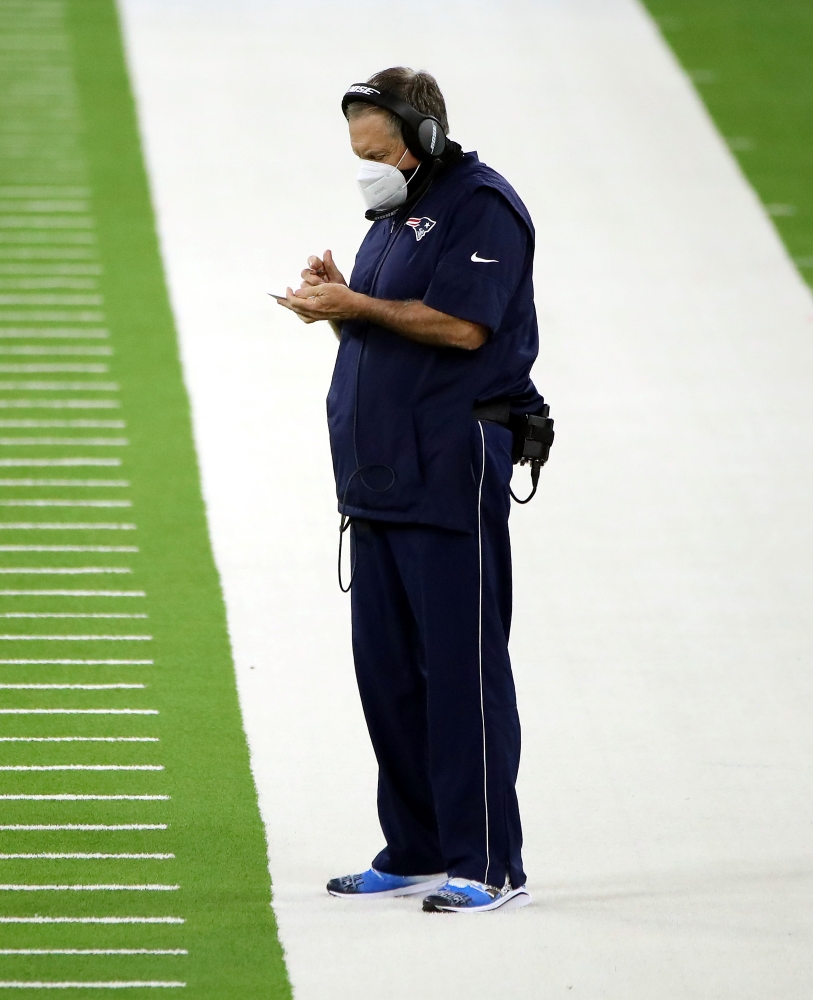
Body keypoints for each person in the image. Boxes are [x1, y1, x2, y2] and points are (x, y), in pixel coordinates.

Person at [276, 67, 543, 914]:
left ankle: (491, 863)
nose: (370, 166)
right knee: (387, 673)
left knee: (460, 669)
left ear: (424, 136)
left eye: (382, 150)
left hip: (449, 470)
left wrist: (355, 302)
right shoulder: (392, 217)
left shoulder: (481, 206)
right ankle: (420, 845)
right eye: (359, 152)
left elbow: (464, 327)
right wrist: (340, 301)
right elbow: (388, 331)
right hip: (380, 477)